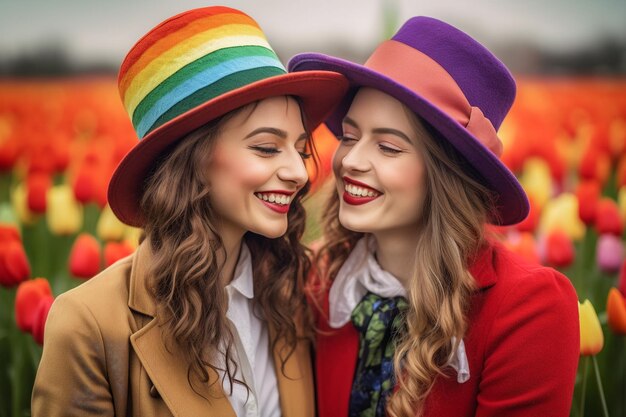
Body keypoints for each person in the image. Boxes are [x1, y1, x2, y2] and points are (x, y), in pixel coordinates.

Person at [31, 6, 347, 417]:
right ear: (192, 161)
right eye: (267, 147)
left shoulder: (295, 292)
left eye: (301, 148)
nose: (297, 172)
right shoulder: (89, 325)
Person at [289, 16, 579, 417]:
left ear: (446, 176)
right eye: (350, 137)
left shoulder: (528, 308)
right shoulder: (319, 282)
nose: (351, 160)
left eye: (388, 147)